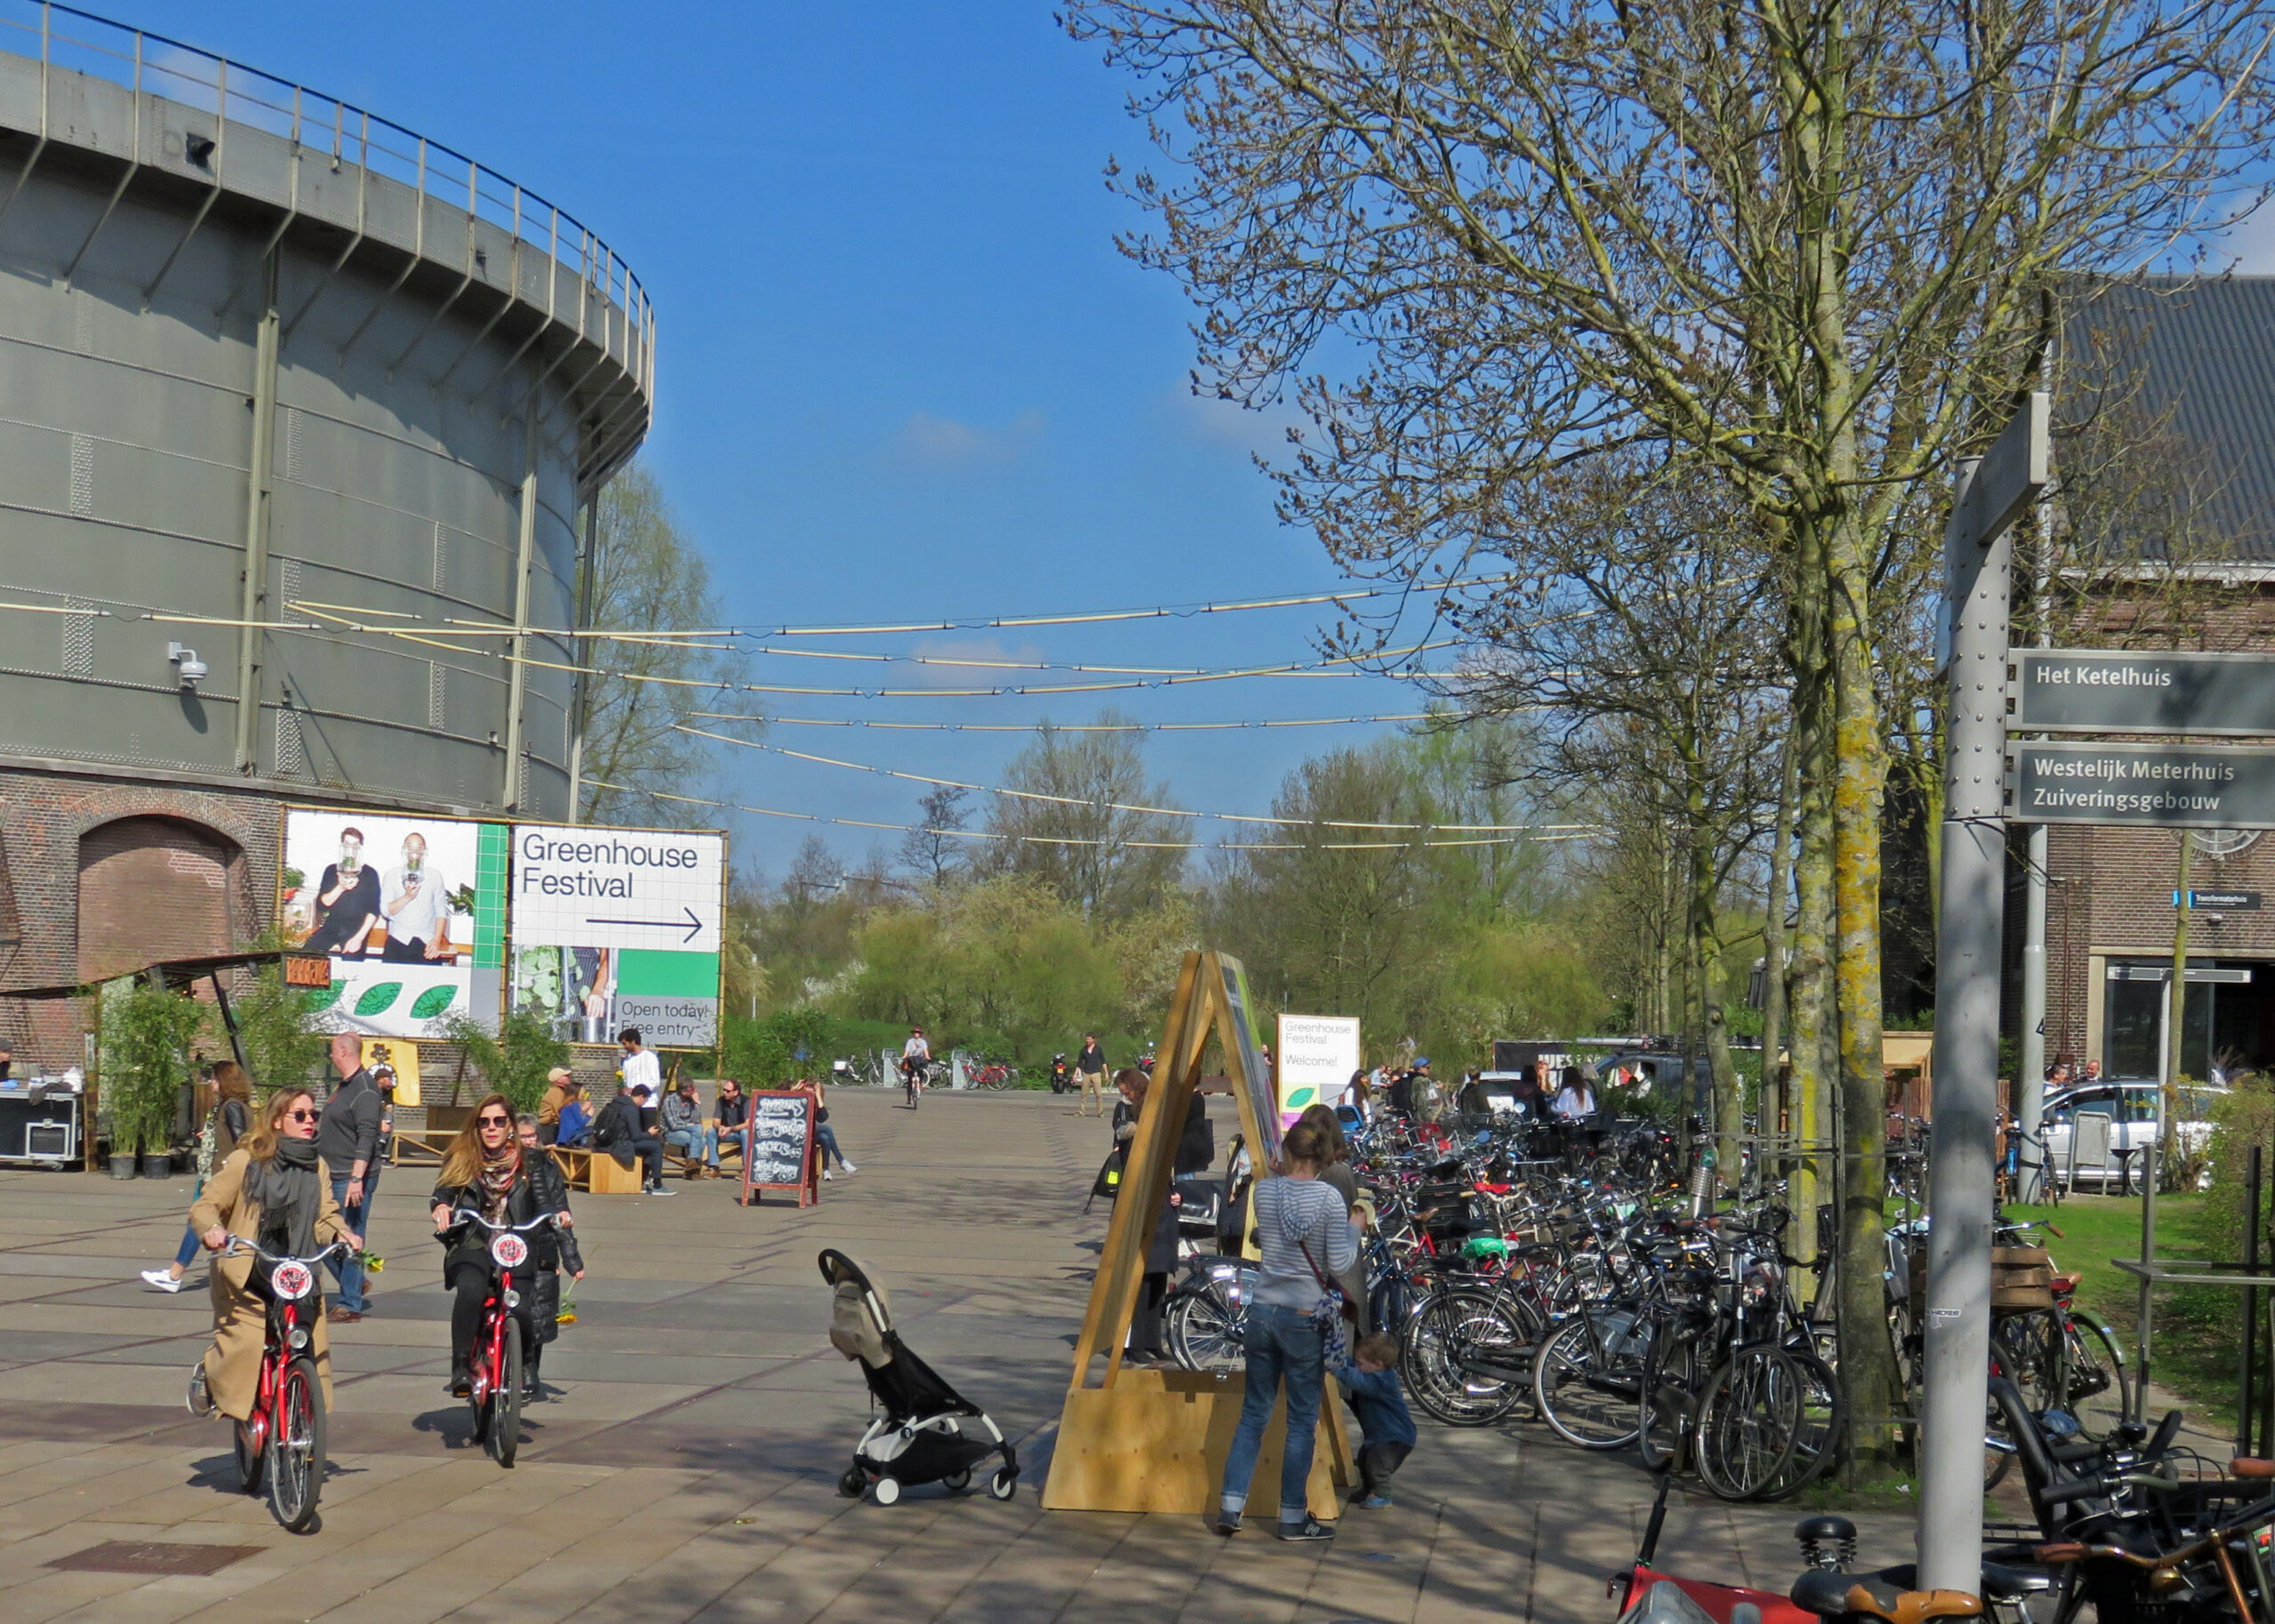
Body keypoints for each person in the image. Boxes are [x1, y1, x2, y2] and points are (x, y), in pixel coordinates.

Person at [184, 1087, 362, 1421]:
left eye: (314, 1115)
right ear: (278, 1120)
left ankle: (303, 1427)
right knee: (246, 1345)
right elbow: (206, 1205)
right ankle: (212, 1374)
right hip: (250, 1263)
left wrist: (342, 1233)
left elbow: (324, 1216)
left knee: (304, 1340)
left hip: (295, 1267)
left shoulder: (316, 1166)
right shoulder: (246, 1161)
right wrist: (212, 1230)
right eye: (300, 1115)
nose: (310, 1121)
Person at [1217, 1121, 1357, 1541]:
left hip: (1263, 1311)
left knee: (1253, 1415)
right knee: (1300, 1422)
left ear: (1288, 1152)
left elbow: (1282, 1203)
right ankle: (1293, 1517)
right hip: (1303, 1315)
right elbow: (1340, 1262)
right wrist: (1355, 1227)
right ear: (1323, 1157)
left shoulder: (1265, 1190)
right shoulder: (1331, 1199)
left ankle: (1230, 1506)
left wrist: (1279, 1172)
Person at [429, 1093, 577, 1397]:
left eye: (498, 1121)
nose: (491, 1128)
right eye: (484, 1123)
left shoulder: (532, 1161)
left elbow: (546, 1201)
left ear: (510, 1125)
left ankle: (524, 1366)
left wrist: (557, 1217)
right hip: (473, 1242)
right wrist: (441, 1207)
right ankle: (460, 1368)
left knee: (520, 1306)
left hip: (515, 1244)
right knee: (471, 1290)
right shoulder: (462, 1157)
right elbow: (443, 1191)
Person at [143, 1061, 252, 1292]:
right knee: (209, 1224)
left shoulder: (231, 1107)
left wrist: (232, 1168)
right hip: (217, 1172)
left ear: (223, 1081)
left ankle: (175, 1275)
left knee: (199, 1220)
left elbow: (241, 1141)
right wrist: (211, 1136)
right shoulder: (231, 1106)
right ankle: (228, 1273)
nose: (211, 1083)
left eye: (214, 1078)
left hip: (221, 1175)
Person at [1131, 1080, 1215, 1364]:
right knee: (1142, 1284)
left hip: (1164, 1215)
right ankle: (1137, 1343)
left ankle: (1153, 1341)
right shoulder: (1140, 1142)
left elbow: (1167, 1177)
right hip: (1147, 1219)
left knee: (1157, 1281)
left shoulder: (1161, 1143)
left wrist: (1174, 1194)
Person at [513, 1113, 584, 1398]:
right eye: (523, 1137)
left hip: (540, 1244)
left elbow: (559, 1211)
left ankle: (530, 1369)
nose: (529, 1141)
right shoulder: (504, 1166)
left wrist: (571, 1259)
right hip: (507, 1243)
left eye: (533, 1136)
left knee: (538, 1313)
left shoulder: (548, 1168)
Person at [315, 1034, 382, 1324]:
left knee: (350, 1236)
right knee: (319, 1234)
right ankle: (353, 1280)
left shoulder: (365, 1089)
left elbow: (367, 1135)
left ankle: (349, 1303)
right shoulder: (344, 1087)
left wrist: (357, 1178)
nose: (331, 1057)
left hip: (350, 1177)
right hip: (332, 1175)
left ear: (344, 1051)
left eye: (333, 1051)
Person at [1337, 1333, 1417, 1509]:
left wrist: (1335, 1368)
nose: (1357, 1366)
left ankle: (1383, 1493)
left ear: (1378, 1365)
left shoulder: (1382, 1381)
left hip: (1395, 1437)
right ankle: (1368, 1489)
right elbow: (1355, 1369)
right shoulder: (1373, 1373)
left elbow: (1354, 1379)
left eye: (1360, 1363)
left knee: (1377, 1464)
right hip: (1380, 1435)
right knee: (1364, 1459)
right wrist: (1343, 1360)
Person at [305, 827, 382, 955]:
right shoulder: (331, 870)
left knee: (351, 962)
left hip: (357, 928)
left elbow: (374, 910)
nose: (351, 849)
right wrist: (340, 887)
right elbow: (322, 905)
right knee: (306, 956)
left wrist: (359, 938)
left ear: (359, 848)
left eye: (355, 845)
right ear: (342, 846)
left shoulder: (369, 874)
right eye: (347, 844)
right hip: (332, 925)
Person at [379, 832, 453, 962]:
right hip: (398, 939)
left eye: (419, 847)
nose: (414, 851)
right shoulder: (392, 875)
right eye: (410, 847)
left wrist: (436, 941)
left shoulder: (435, 876)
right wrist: (407, 896)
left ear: (425, 851)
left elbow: (441, 912)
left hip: (427, 942)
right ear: (404, 850)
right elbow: (385, 910)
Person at [594, 1082, 671, 1194]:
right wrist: (649, 1133)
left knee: (649, 1146)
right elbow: (636, 1136)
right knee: (656, 1146)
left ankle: (642, 1180)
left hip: (607, 1142)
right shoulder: (631, 1109)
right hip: (620, 1145)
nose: (643, 1103)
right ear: (641, 1097)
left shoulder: (617, 1103)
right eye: (645, 1100)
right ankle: (657, 1185)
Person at [791, 1074, 856, 1178]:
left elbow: (823, 1118)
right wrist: (795, 1089)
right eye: (808, 1086)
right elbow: (783, 1101)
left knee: (824, 1138)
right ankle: (841, 1160)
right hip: (796, 1132)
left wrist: (818, 1096)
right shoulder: (797, 1097)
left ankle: (826, 1170)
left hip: (810, 1133)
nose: (809, 1089)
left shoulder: (815, 1100)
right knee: (827, 1128)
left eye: (812, 1087)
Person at [661, 1076, 721, 1175]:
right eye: (691, 1090)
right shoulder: (670, 1101)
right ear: (683, 1091)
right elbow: (674, 1125)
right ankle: (693, 1167)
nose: (694, 1092)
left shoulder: (691, 1101)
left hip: (688, 1131)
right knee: (699, 1135)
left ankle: (692, 1165)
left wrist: (697, 1103)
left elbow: (696, 1120)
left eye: (693, 1089)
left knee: (702, 1139)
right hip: (671, 1133)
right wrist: (691, 1125)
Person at [618, 1029, 660, 1110]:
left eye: (625, 1043)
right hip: (631, 1104)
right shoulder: (627, 1061)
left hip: (648, 1104)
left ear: (633, 1042)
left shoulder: (650, 1057)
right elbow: (625, 1080)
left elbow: (654, 1082)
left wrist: (635, 1091)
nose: (623, 1047)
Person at [538, 1066, 576, 1146]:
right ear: (558, 1080)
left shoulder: (560, 1091)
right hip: (550, 1128)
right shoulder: (556, 1092)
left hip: (553, 1126)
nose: (568, 1077)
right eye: (565, 1076)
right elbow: (560, 1111)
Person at [714, 1077, 748, 1166]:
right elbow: (716, 1121)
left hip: (739, 1133)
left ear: (736, 1092)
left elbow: (748, 1124)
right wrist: (720, 1127)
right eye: (724, 1090)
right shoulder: (721, 1101)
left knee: (746, 1133)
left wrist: (731, 1129)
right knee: (711, 1132)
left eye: (728, 1091)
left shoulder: (746, 1101)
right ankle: (713, 1167)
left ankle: (746, 1168)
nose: (724, 1093)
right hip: (726, 1133)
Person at [554, 1082, 594, 1149]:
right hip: (570, 1139)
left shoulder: (566, 1104)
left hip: (562, 1139)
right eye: (582, 1092)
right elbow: (580, 1124)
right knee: (593, 1129)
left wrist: (582, 1110)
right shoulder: (574, 1104)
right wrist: (589, 1115)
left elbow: (572, 1119)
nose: (583, 1095)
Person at [1077, 1033, 1107, 1118]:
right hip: (1086, 1073)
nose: (1087, 1041)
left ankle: (1100, 1111)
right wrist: (1076, 1074)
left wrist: (1106, 1073)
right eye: (1086, 1039)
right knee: (1083, 1094)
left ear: (1093, 1039)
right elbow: (1079, 1063)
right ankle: (1082, 1111)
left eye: (1089, 1039)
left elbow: (1103, 1061)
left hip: (1096, 1073)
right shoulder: (1083, 1050)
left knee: (1098, 1094)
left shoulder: (1098, 1049)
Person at [901, 1027, 931, 1103]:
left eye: (918, 1032)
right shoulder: (910, 1042)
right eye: (915, 1032)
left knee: (920, 1072)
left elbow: (925, 1050)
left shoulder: (923, 1042)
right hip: (911, 1059)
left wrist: (927, 1057)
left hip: (920, 1059)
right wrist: (904, 1056)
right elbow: (907, 1051)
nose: (916, 1034)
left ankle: (920, 1084)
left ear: (920, 1034)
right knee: (910, 1080)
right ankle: (908, 1098)